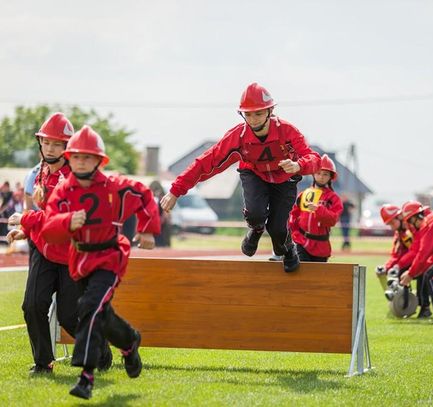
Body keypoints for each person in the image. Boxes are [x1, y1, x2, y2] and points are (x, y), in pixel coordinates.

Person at [41, 125, 161, 399]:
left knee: (88, 306)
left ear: (99, 161)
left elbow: (144, 195)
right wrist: (67, 221)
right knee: (100, 314)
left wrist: (148, 228)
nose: (81, 162)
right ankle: (130, 342)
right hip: (80, 259)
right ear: (69, 159)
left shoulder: (115, 187)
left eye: (88, 157)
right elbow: (48, 228)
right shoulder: (62, 191)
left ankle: (86, 376)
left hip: (109, 257)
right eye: (77, 157)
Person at [160, 83, 320, 272]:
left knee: (277, 229)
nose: (253, 120)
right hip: (254, 174)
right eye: (248, 114)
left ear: (270, 111)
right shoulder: (238, 136)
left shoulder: (287, 131)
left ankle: (287, 249)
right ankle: (256, 228)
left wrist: (298, 165)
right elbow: (205, 162)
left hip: (285, 178)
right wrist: (175, 191)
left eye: (258, 114)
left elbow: (314, 158)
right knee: (255, 214)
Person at [7, 113, 112, 375]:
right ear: (40, 144)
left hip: (71, 255)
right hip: (43, 249)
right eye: (46, 142)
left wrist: (26, 219)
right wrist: (24, 230)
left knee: (68, 317)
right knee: (32, 305)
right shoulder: (40, 170)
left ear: (67, 148)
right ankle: (44, 363)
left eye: (57, 144)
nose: (50, 148)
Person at [376, 204, 431, 318]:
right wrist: (387, 267)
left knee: (423, 274)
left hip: (427, 259)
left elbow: (417, 250)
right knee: (398, 274)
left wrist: (398, 265)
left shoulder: (414, 227)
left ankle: (424, 307)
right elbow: (396, 254)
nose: (391, 227)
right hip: (418, 259)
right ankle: (403, 303)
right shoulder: (400, 234)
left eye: (392, 223)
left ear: (399, 217)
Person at [288, 154, 343, 262]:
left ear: (330, 177)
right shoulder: (303, 194)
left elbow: (333, 220)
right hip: (301, 242)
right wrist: (294, 233)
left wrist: (319, 210)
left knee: (317, 276)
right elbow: (293, 215)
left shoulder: (333, 198)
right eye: (318, 173)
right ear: (313, 174)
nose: (321, 177)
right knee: (302, 272)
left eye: (325, 174)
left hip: (321, 246)